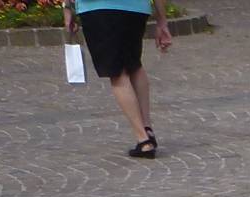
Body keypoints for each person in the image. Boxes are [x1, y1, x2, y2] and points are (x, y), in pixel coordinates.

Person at [63, 0, 172, 159]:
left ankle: (143, 139)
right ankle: (147, 128)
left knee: (117, 73)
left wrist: (68, 8)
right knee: (134, 65)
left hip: (97, 8)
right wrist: (162, 20)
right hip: (136, 8)